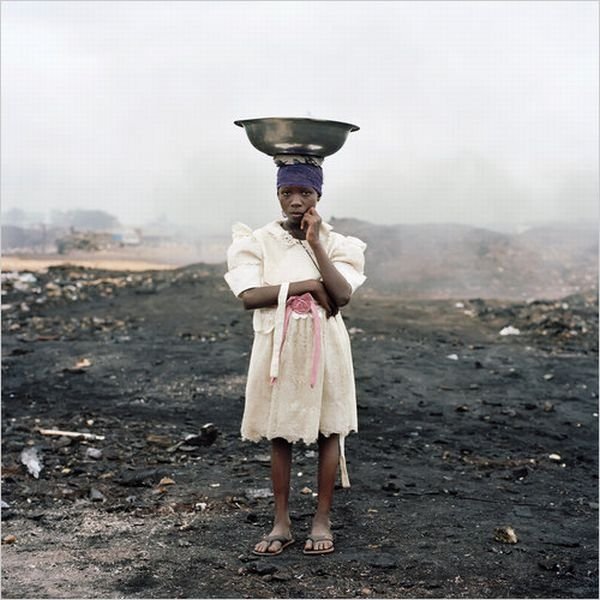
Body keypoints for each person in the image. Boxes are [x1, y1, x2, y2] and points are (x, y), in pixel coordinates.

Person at [224, 161, 366, 556]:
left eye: (306, 193)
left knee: (328, 428)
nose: (296, 201)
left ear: (319, 196)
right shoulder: (258, 240)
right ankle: (281, 522)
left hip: (326, 345)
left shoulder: (338, 243)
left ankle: (322, 519)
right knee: (279, 430)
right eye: (288, 193)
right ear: (278, 195)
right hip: (277, 345)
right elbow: (249, 296)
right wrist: (307, 285)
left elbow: (341, 295)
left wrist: (316, 243)